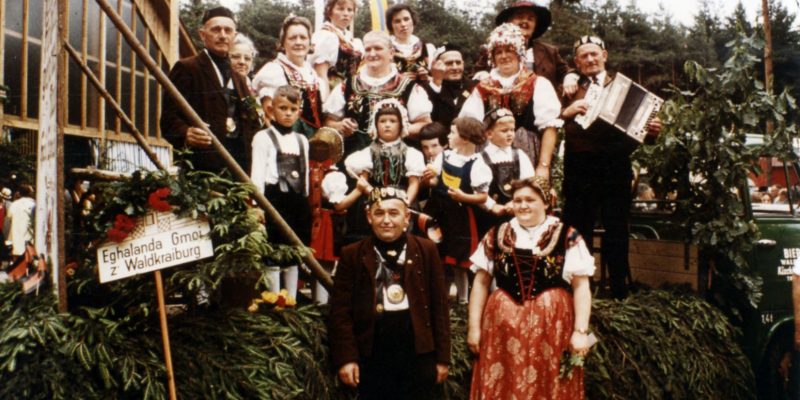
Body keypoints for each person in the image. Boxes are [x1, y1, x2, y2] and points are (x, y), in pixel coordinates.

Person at [467, 177, 595, 399]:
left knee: (551, 380)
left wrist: (580, 331)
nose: (522, 205)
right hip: (502, 328)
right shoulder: (496, 234)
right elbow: (480, 282)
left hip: (551, 326)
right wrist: (474, 328)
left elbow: (582, 286)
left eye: (530, 200)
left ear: (546, 203)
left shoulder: (566, 235)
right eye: (517, 200)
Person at [560, 35, 661, 299]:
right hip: (579, 169)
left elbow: (642, 132)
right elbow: (551, 122)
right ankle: (579, 290)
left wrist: (652, 131)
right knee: (577, 230)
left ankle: (619, 291)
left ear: (605, 55)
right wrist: (566, 112)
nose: (590, 59)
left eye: (594, 54)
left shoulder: (623, 86)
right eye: (584, 56)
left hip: (615, 167)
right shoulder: (568, 89)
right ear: (576, 62)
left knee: (617, 230)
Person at [328, 187, 450, 400]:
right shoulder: (352, 254)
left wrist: (442, 359)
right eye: (379, 213)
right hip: (372, 353)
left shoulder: (426, 250)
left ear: (407, 217)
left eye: (394, 213)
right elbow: (341, 313)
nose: (386, 220)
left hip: (417, 353)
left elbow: (439, 308)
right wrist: (346, 358)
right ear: (368, 217)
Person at [160, 6, 261, 173]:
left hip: (237, 170)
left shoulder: (240, 78)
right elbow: (168, 120)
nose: (222, 35)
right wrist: (186, 133)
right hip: (201, 168)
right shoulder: (187, 68)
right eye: (216, 29)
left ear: (234, 36)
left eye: (228, 30)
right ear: (202, 34)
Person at [458, 23, 562, 178]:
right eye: (498, 52)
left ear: (520, 53)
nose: (504, 56)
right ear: (492, 57)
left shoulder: (538, 83)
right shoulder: (483, 87)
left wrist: (543, 166)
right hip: (488, 157)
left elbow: (549, 128)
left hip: (528, 155)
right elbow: (468, 127)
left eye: (509, 50)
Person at [323, 30, 433, 157]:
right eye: (368, 49)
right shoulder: (347, 85)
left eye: (378, 48)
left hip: (395, 161)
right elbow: (328, 121)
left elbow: (425, 124)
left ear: (391, 53)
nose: (372, 53)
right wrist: (340, 125)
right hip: (354, 161)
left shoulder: (409, 86)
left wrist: (401, 129)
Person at [250, 85, 311, 299]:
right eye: (282, 108)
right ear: (271, 109)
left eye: (292, 109)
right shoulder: (263, 138)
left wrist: (306, 203)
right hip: (273, 200)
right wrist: (257, 206)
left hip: (297, 202)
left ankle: (291, 300)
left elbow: (305, 176)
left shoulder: (302, 141)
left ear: (298, 111)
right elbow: (257, 173)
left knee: (293, 252)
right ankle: (274, 299)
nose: (287, 113)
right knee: (273, 252)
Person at [423, 117, 490, 304]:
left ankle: (462, 299)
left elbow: (482, 196)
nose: (448, 136)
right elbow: (436, 182)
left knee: (458, 257)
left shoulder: (477, 165)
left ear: (466, 138)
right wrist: (429, 178)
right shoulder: (445, 156)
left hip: (460, 215)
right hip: (438, 211)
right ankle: (440, 295)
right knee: (438, 251)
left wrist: (464, 197)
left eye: (453, 133)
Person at [342, 99, 425, 244]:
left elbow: (413, 183)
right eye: (382, 121)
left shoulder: (412, 154)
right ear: (376, 125)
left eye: (392, 121)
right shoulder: (365, 154)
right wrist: (376, 196)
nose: (387, 125)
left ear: (400, 125)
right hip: (373, 199)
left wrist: (405, 202)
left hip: (402, 200)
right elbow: (364, 181)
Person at [252, 15, 327, 137]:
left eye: (303, 37)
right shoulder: (274, 71)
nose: (298, 42)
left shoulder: (312, 73)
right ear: (283, 43)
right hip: (287, 141)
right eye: (292, 38)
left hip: (314, 143)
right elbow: (269, 117)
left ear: (310, 43)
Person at [494, 1, 577, 96]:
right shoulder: (494, 48)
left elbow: (566, 71)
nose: (525, 21)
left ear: (535, 26)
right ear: (509, 22)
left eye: (530, 19)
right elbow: (479, 73)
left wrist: (570, 78)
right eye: (520, 17)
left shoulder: (550, 51)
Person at [479, 108, 536, 228]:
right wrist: (492, 206)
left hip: (518, 210)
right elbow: (478, 189)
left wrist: (516, 202)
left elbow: (529, 182)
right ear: (489, 134)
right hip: (490, 215)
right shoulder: (481, 159)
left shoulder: (519, 155)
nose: (510, 134)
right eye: (504, 131)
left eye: (512, 130)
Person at [311, 0, 363, 90]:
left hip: (351, 93)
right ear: (329, 12)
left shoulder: (352, 40)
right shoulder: (325, 36)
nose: (346, 14)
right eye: (340, 9)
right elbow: (321, 75)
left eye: (350, 10)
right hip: (332, 93)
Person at [421, 45, 476, 129]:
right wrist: (436, 82)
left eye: (458, 63)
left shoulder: (475, 86)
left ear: (463, 64)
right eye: (449, 63)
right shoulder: (425, 88)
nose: (455, 67)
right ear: (437, 65)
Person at [385, 4, 433, 82]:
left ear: (413, 21)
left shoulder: (427, 48)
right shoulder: (384, 48)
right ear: (391, 25)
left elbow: (437, 80)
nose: (403, 24)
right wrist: (397, 79)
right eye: (397, 21)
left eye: (406, 19)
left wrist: (427, 76)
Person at [7, 185, 35, 258]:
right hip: (29, 241)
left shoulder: (14, 205)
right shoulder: (33, 205)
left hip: (16, 240)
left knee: (16, 265)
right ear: (30, 193)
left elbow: (9, 217)